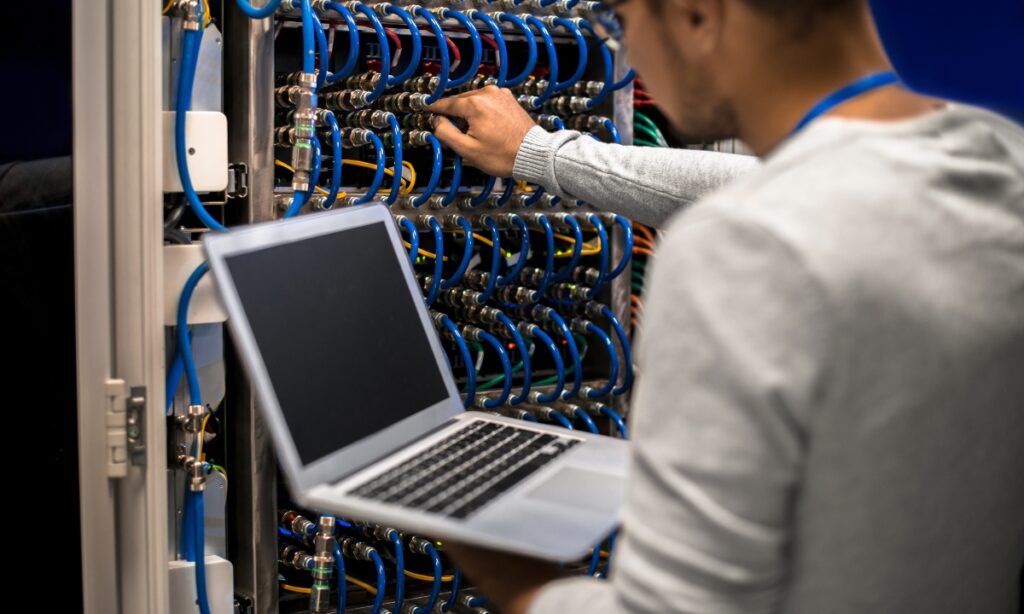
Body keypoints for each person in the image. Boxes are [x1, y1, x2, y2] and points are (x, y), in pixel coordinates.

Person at [426, 0, 1024, 612]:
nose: (630, 55)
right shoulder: (999, 158)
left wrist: (517, 581)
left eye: (624, 24)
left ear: (695, 17)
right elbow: (783, 185)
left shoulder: (741, 250)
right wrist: (541, 152)